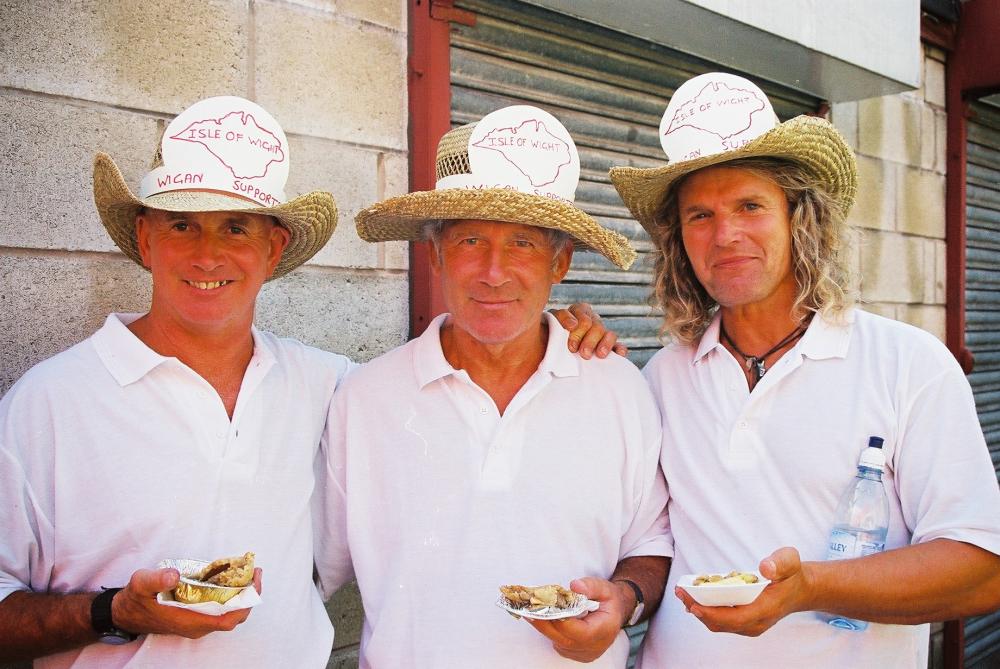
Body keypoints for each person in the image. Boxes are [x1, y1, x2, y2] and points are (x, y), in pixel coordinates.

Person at [0, 96, 621, 669]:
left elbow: (464, 359)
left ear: (274, 249)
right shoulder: (49, 403)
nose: (208, 254)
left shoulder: (328, 386)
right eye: (181, 224)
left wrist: (554, 325)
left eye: (236, 227)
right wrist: (114, 612)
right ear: (144, 237)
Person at [608, 72, 1000, 667]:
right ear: (678, 240)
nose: (726, 235)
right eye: (700, 216)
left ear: (799, 219)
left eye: (750, 206)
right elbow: (646, 540)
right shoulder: (662, 377)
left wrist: (811, 588)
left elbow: (981, 570)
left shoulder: (907, 364)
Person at [314, 105, 671, 668]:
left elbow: (651, 547)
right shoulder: (365, 399)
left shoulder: (621, 391)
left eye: (523, 244)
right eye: (470, 241)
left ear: (561, 264)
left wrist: (625, 601)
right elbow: (310, 570)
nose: (494, 272)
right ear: (434, 254)